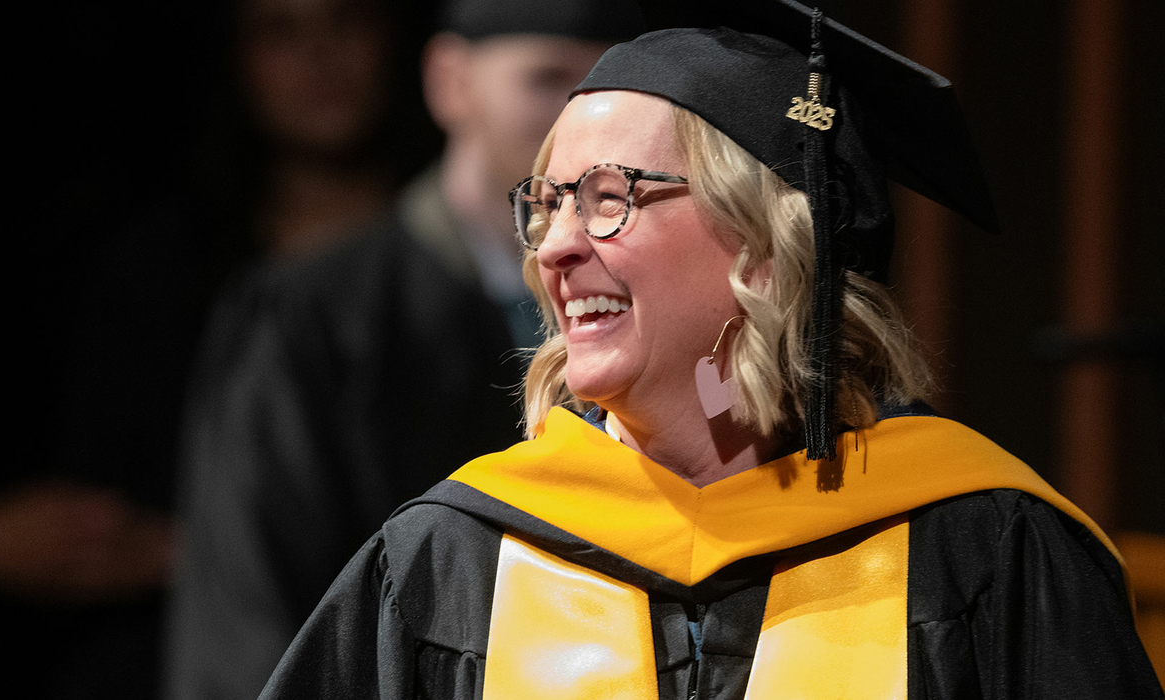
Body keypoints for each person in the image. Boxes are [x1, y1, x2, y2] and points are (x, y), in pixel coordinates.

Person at [256, 1, 1165, 698]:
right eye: (548, 203)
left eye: (608, 197)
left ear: (767, 247)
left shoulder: (985, 553)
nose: (556, 247)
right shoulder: (447, 566)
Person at [162, 2, 643, 698]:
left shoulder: (659, 312)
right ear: (450, 81)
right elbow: (248, 613)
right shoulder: (312, 322)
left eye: (607, 83)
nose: (583, 115)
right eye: (546, 80)